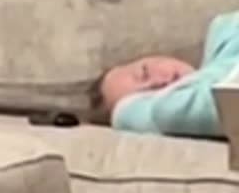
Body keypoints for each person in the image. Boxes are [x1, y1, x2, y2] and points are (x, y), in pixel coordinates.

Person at [93, 11, 239, 138]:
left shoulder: (224, 30)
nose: (159, 83)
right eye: (150, 95)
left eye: (144, 73)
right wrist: (124, 114)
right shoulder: (185, 108)